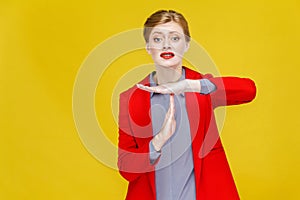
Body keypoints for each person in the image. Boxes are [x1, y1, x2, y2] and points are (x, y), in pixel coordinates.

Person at [117, 10, 256, 200]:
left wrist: (191, 85)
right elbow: (126, 169)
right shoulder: (130, 99)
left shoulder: (202, 88)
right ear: (148, 47)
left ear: (187, 45)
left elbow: (249, 90)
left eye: (174, 38)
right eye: (158, 39)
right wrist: (157, 142)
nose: (166, 44)